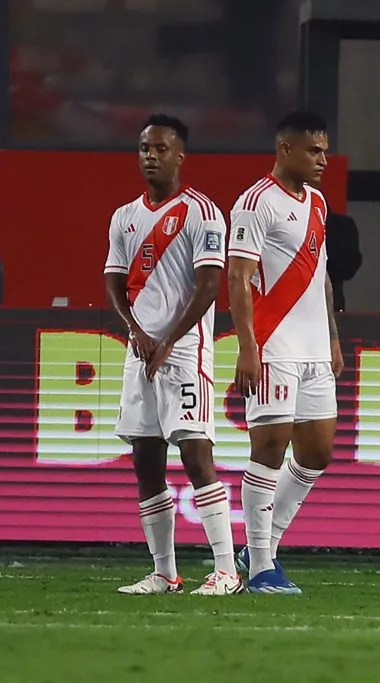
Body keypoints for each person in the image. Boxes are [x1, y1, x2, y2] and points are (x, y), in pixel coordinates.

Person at [103, 114, 241, 596]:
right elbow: (114, 283)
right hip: (140, 351)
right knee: (145, 456)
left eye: (160, 148)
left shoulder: (203, 213)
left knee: (196, 453)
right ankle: (165, 573)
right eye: (144, 148)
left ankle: (226, 570)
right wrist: (136, 331)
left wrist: (167, 339)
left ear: (180, 156)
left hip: (184, 352)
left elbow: (209, 287)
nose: (150, 156)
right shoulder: (124, 216)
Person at [227, 111, 344, 594]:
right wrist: (247, 347)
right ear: (284, 149)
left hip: (315, 350)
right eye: (313, 151)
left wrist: (334, 337)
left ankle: (260, 547)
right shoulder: (255, 204)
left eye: (325, 150)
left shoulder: (317, 202)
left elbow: (322, 276)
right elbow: (237, 278)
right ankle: (259, 567)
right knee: (269, 450)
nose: (323, 159)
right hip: (273, 345)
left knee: (316, 453)